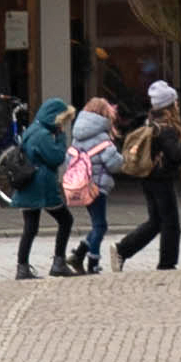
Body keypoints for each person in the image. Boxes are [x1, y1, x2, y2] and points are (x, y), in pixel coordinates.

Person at [121, 81, 181, 270]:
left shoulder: (150, 121)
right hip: (161, 179)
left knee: (156, 221)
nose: (177, 104)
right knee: (170, 223)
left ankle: (123, 250)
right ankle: (166, 263)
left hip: (148, 177)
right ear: (170, 104)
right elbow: (174, 155)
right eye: (175, 101)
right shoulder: (166, 128)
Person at [3, 96, 70, 277]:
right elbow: (56, 157)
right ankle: (58, 262)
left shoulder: (33, 130)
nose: (62, 125)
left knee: (31, 227)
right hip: (41, 187)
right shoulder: (43, 135)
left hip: (29, 185)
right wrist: (62, 137)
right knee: (66, 220)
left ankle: (22, 267)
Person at [60, 96, 117, 274]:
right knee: (100, 225)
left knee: (98, 224)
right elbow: (114, 163)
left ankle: (79, 253)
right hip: (97, 188)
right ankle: (92, 262)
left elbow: (69, 160)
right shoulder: (102, 138)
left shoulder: (77, 137)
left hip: (82, 186)